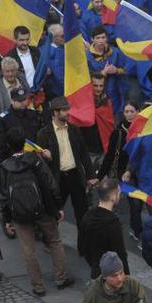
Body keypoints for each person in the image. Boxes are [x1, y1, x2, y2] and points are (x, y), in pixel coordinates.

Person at [0, 127, 74, 297]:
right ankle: (60, 277)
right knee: (54, 241)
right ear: (24, 144)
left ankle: (38, 286)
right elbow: (50, 183)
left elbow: (3, 195)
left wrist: (7, 218)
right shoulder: (34, 160)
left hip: (19, 213)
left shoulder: (5, 167)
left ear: (8, 146)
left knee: (28, 250)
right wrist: (57, 207)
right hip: (42, 209)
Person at [36, 96, 95, 225]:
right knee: (54, 214)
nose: (68, 112)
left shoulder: (74, 130)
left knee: (82, 213)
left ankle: (84, 237)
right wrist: (44, 157)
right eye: (64, 110)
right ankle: (50, 235)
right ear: (55, 113)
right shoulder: (43, 134)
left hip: (75, 175)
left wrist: (91, 176)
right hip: (57, 177)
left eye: (68, 109)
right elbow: (39, 162)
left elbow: (84, 154)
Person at [78, 178, 130, 279]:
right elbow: (120, 254)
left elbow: (81, 248)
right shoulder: (113, 223)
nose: (120, 196)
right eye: (119, 193)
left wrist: (94, 264)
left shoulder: (87, 216)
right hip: (113, 275)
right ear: (113, 197)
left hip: (96, 270)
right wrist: (126, 276)